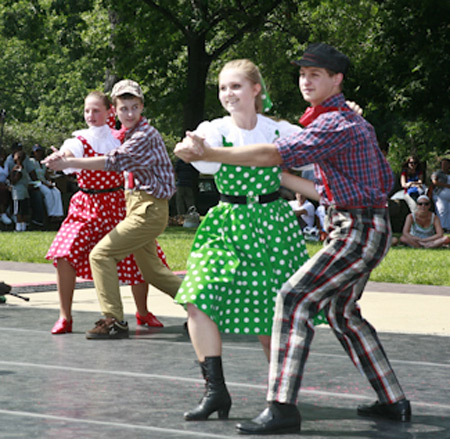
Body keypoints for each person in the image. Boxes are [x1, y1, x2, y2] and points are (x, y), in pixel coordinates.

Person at [175, 43, 411, 435]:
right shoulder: (335, 120)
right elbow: (377, 179)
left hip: (358, 228)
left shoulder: (334, 123)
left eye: (315, 74)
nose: (305, 80)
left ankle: (282, 406)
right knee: (341, 313)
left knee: (292, 296)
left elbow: (272, 156)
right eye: (302, 74)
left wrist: (213, 152)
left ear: (337, 80)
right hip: (357, 224)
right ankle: (392, 400)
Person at [173, 59, 311, 422]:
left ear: (256, 90)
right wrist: (187, 148)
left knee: (273, 315)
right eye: (222, 88)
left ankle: (280, 396)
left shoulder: (279, 130)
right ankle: (215, 391)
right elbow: (194, 150)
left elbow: (319, 150)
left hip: (273, 227)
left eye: (235, 86)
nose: (227, 94)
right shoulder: (215, 129)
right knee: (197, 296)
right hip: (226, 223)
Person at [44, 80, 182, 340]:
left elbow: (114, 161)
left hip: (146, 209)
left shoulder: (142, 135)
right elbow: (73, 146)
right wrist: (62, 157)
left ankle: (114, 320)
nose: (129, 113)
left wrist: (69, 162)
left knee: (100, 255)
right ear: (115, 112)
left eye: (134, 107)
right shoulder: (123, 133)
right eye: (124, 108)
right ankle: (204, 307)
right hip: (132, 207)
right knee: (151, 270)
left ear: (141, 107)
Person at [29, 144, 64, 222]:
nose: (39, 153)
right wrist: (46, 184)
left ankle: (58, 214)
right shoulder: (31, 161)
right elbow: (34, 176)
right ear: (34, 152)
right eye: (37, 151)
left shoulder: (43, 162)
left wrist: (50, 182)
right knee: (48, 193)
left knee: (57, 192)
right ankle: (51, 214)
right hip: (37, 182)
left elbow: (46, 175)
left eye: (40, 151)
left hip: (45, 182)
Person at [9, 150, 31, 232]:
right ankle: (23, 226)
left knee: (18, 210)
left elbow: (14, 181)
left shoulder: (18, 168)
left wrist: (12, 172)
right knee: (24, 209)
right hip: (24, 191)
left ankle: (18, 227)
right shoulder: (24, 168)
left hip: (18, 192)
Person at [430, 156, 450, 232]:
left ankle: (448, 227)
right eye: (443, 164)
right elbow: (434, 182)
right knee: (441, 211)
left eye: (446, 164)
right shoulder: (437, 173)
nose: (444, 166)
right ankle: (442, 227)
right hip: (440, 195)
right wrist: (447, 186)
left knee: (449, 211)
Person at [0, 147, 12, 225]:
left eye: (3, 155)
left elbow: (8, 176)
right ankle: (2, 213)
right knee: (3, 191)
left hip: (6, 183)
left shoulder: (6, 164)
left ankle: (11, 212)